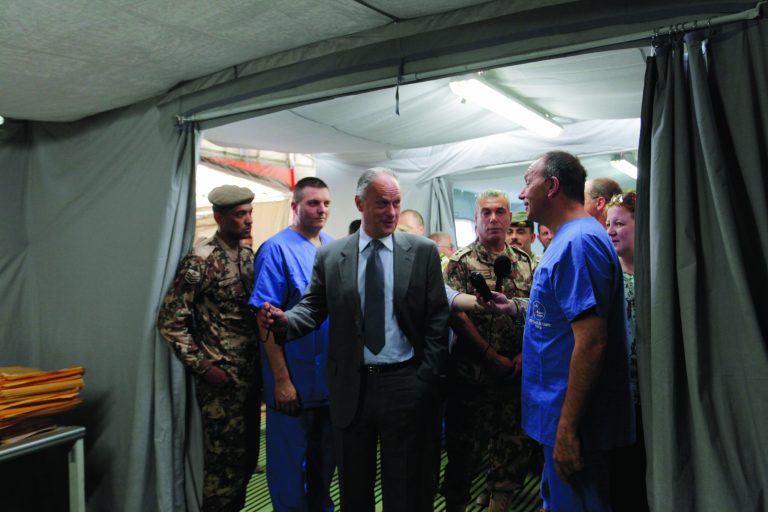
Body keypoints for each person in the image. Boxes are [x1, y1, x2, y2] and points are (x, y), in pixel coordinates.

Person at [258, 168, 449, 512]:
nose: (391, 213)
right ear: (360, 203)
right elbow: (313, 308)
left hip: (405, 383)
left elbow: (437, 318)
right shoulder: (332, 256)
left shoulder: (421, 253)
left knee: (403, 486)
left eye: (396, 203)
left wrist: (425, 376)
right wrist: (286, 321)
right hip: (352, 387)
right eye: (381, 204)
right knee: (353, 487)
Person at [517, 151, 634, 512]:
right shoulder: (569, 238)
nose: (522, 194)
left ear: (551, 186)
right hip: (558, 415)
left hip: (576, 423)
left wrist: (566, 431)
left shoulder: (578, 243)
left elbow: (592, 340)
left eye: (527, 182)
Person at [158, 185, 260, 512]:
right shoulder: (201, 259)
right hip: (221, 381)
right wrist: (203, 366)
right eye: (239, 215)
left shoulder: (247, 257)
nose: (248, 220)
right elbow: (171, 320)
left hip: (250, 375)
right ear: (219, 217)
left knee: (246, 461)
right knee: (222, 468)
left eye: (250, 213)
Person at [443, 190, 539, 512]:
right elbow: (455, 314)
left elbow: (538, 312)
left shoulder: (526, 262)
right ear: (476, 220)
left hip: (514, 378)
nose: (494, 218)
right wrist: (489, 355)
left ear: (510, 218)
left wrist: (525, 355)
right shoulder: (459, 263)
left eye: (500, 212)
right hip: (472, 379)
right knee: (463, 457)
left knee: (511, 454)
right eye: (486, 213)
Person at [250, 177, 335, 512]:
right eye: (313, 203)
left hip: (326, 384)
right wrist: (282, 381)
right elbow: (264, 320)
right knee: (289, 470)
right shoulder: (276, 249)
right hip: (293, 384)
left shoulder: (330, 247)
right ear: (296, 207)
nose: (322, 209)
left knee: (323, 468)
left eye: (326, 203)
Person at [605, 191, 648, 511]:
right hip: (619, 399)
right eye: (608, 224)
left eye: (619, 223)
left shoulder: (660, 275)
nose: (610, 231)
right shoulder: (607, 276)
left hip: (655, 400)